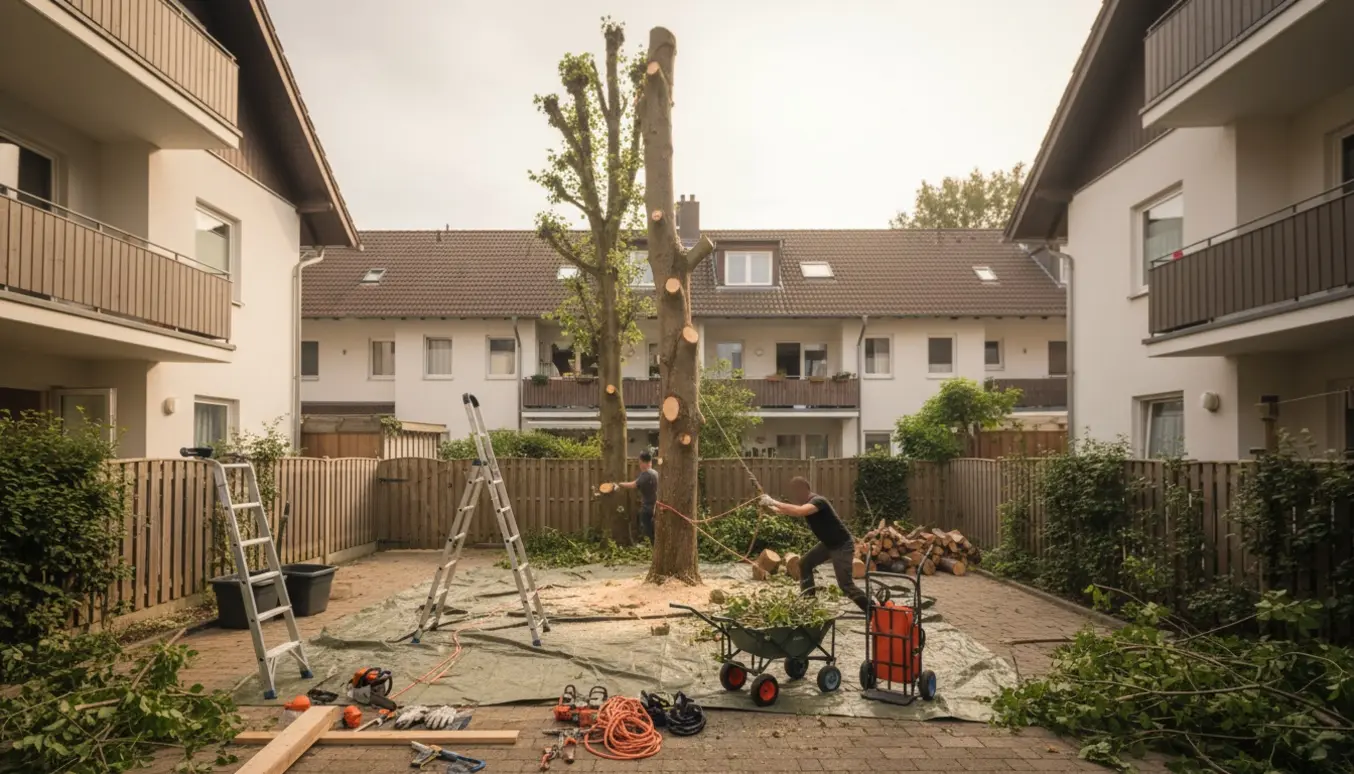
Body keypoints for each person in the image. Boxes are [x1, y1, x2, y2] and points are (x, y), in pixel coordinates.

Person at [760, 477, 868, 613]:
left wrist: (773, 501)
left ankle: (873, 611)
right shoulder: (807, 503)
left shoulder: (818, 501)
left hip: (842, 545)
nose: (795, 496)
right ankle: (808, 602)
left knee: (846, 585)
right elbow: (786, 511)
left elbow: (799, 511)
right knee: (804, 564)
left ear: (804, 489)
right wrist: (768, 506)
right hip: (828, 544)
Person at [614, 450, 659, 541]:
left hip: (648, 508)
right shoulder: (655, 473)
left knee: (649, 533)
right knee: (653, 531)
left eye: (640, 462)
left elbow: (633, 485)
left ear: (642, 462)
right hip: (655, 507)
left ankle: (652, 546)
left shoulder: (646, 474)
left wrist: (620, 484)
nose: (639, 465)